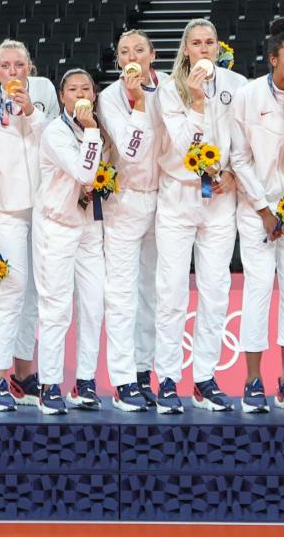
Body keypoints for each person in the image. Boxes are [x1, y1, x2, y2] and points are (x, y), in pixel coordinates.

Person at [154, 18, 246, 413]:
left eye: (210, 42)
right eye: (196, 43)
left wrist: (234, 172)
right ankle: (167, 380)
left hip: (220, 198)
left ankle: (205, 378)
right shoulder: (169, 89)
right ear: (186, 49)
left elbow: (243, 140)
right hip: (178, 195)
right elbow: (182, 144)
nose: (204, 49)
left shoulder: (236, 84)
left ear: (218, 47)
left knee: (216, 290)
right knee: (172, 291)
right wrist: (195, 101)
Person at [0, 39, 59, 412]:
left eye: (19, 65)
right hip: (5, 213)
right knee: (10, 292)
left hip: (44, 211)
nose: (13, 72)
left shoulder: (45, 93)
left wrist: (32, 112)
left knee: (34, 294)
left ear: (29, 67)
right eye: (5, 66)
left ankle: (22, 376)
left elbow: (56, 142)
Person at [230, 17, 284, 413]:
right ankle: (252, 381)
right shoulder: (248, 96)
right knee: (259, 288)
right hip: (257, 210)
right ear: (273, 59)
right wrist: (264, 210)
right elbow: (239, 158)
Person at [32, 69, 107, 414]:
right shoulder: (55, 132)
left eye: (86, 89)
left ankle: (85, 382)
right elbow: (84, 172)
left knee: (93, 306)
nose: (80, 94)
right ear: (62, 96)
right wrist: (91, 129)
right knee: (56, 308)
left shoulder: (97, 127)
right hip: (57, 226)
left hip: (89, 226)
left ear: (94, 94)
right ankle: (49, 384)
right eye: (73, 89)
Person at [97, 30, 164, 412]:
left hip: (164, 200)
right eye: (124, 52)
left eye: (139, 49)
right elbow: (130, 150)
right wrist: (138, 101)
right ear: (119, 60)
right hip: (125, 201)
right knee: (122, 294)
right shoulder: (109, 97)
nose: (132, 56)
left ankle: (142, 372)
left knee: (152, 293)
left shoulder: (170, 87)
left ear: (152, 54)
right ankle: (122, 380)